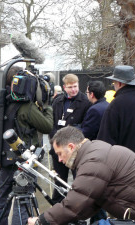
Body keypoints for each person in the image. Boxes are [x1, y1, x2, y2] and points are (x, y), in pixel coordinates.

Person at [28, 126, 135, 225]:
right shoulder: (95, 149)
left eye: (60, 153)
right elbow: (90, 202)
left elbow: (74, 203)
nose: (59, 159)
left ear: (71, 147)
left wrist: (41, 221)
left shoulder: (92, 161)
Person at [0, 66, 53, 225]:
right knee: (23, 201)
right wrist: (47, 106)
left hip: (4, 157)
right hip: (25, 159)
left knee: (3, 199)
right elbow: (47, 126)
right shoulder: (26, 107)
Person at [49, 73, 91, 203]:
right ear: (64, 87)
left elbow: (86, 127)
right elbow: (52, 123)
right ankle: (57, 210)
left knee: (78, 182)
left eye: (75, 86)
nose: (73, 89)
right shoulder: (57, 101)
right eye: (70, 87)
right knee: (59, 181)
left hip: (75, 150)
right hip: (59, 150)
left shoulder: (85, 102)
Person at [80, 80, 109, 223]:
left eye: (87, 92)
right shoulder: (107, 106)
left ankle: (98, 221)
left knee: (95, 194)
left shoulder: (94, 110)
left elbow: (86, 132)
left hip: (96, 153)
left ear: (91, 94)